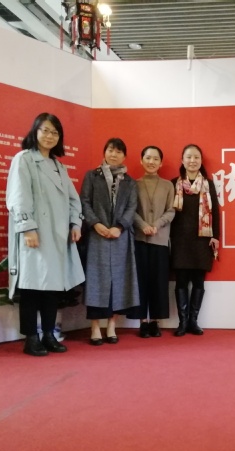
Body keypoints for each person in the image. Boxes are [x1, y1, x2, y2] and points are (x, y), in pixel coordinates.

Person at [6, 112, 85, 356]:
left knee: (52, 288)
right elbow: (19, 196)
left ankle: (49, 334)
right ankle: (31, 338)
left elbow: (73, 199)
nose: (50, 136)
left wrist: (75, 224)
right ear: (35, 131)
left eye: (55, 132)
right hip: (35, 234)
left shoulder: (59, 166)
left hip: (57, 236)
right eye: (45, 130)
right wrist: (28, 228)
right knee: (32, 287)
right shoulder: (24, 159)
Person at [80, 138, 139, 346]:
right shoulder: (92, 176)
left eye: (119, 152)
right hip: (97, 235)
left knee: (119, 282)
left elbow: (132, 207)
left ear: (124, 156)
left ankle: (112, 325)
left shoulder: (130, 182)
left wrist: (120, 227)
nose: (114, 155)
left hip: (120, 237)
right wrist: (95, 224)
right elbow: (84, 202)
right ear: (104, 152)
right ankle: (95, 327)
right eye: (111, 150)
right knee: (96, 281)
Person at [170, 144, 220, 336]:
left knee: (199, 282)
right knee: (181, 282)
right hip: (180, 240)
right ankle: (182, 322)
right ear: (182, 160)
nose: (192, 161)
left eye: (196, 157)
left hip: (202, 240)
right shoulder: (173, 184)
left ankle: (193, 321)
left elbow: (215, 213)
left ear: (201, 161)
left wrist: (216, 236)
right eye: (189, 157)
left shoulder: (208, 184)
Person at [132, 146, 175, 338]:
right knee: (140, 282)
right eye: (148, 158)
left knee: (159, 282)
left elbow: (171, 210)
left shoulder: (168, 185)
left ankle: (156, 322)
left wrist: (156, 225)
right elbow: (130, 210)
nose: (151, 162)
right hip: (139, 239)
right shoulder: (133, 184)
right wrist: (142, 225)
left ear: (161, 163)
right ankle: (142, 322)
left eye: (155, 159)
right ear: (141, 160)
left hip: (160, 239)